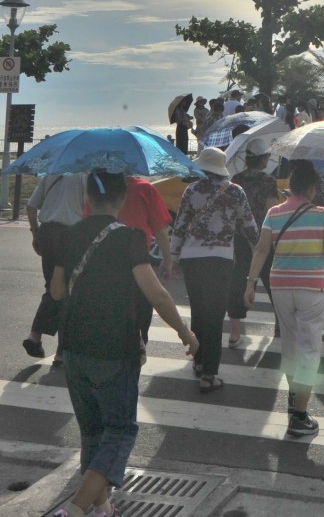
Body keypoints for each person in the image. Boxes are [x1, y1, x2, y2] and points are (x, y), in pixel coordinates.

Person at [49, 170, 197, 517]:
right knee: (119, 431)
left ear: (88, 197)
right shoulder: (130, 238)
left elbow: (56, 291)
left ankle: (101, 508)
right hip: (114, 348)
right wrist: (185, 333)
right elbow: (157, 295)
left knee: (92, 433)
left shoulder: (70, 236)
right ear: (121, 199)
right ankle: (74, 510)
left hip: (73, 347)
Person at [245, 160, 324, 438]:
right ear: (312, 189)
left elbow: (261, 251)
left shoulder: (273, 213)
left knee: (289, 346)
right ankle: (299, 416)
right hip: (312, 287)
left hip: (281, 285)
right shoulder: (322, 214)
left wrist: (250, 284)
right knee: (310, 348)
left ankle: (293, 402)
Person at [170, 147, 258, 392]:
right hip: (220, 259)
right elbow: (250, 227)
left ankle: (199, 362)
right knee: (215, 316)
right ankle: (209, 375)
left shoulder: (192, 190)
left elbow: (180, 226)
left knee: (198, 312)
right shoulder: (235, 192)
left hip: (192, 259)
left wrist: (173, 258)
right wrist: (258, 252)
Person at [82, 177, 174, 344]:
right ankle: (136, 349)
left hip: (99, 257)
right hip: (137, 259)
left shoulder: (98, 186)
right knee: (140, 311)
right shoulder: (145, 189)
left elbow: (87, 219)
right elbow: (160, 230)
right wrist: (168, 260)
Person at [23, 173, 87, 364]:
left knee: (52, 287)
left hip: (47, 233)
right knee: (69, 292)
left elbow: (30, 207)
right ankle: (61, 351)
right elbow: (89, 208)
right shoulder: (84, 177)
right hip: (71, 234)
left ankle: (35, 336)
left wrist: (35, 233)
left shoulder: (51, 175)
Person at [227, 138, 281, 345]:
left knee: (238, 280)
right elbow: (271, 211)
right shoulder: (267, 181)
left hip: (240, 237)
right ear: (262, 159)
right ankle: (279, 324)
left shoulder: (236, 179)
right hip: (263, 238)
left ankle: (235, 333)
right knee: (272, 281)